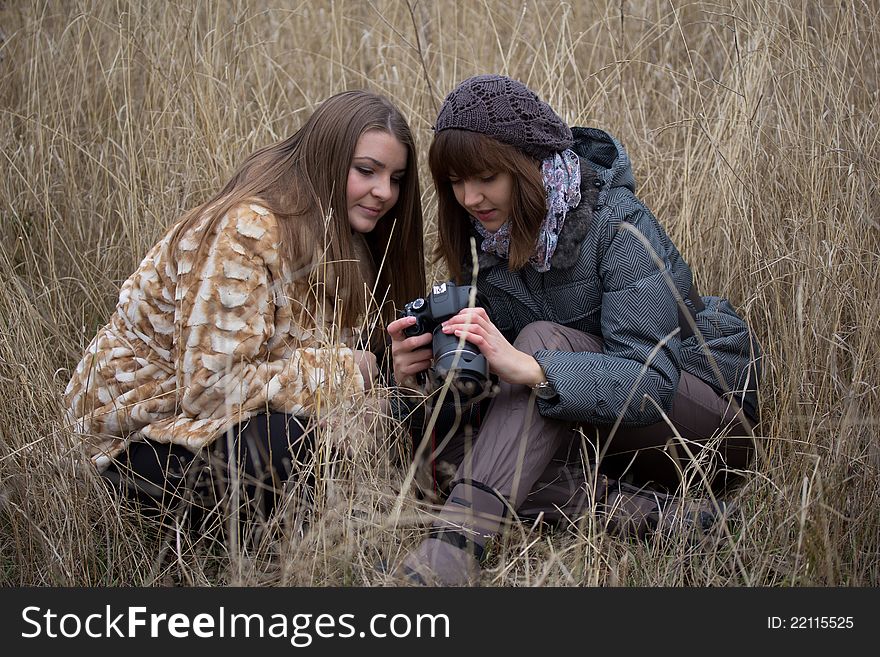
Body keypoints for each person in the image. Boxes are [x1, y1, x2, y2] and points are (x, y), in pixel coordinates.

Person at [387, 75, 761, 585]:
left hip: (701, 427)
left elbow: (652, 383)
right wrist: (421, 377)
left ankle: (453, 551)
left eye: (486, 177)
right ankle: (652, 516)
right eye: (454, 182)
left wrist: (533, 367)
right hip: (593, 432)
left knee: (541, 340)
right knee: (445, 457)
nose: (470, 198)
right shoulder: (484, 245)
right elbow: (483, 397)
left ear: (528, 164)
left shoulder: (615, 224)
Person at [64, 90, 425, 533]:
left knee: (420, 410)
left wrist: (392, 372)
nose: (384, 192)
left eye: (396, 178)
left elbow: (315, 365)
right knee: (284, 445)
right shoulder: (247, 228)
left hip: (226, 428)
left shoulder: (348, 235)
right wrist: (352, 374)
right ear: (328, 158)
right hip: (139, 446)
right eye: (366, 171)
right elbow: (212, 387)